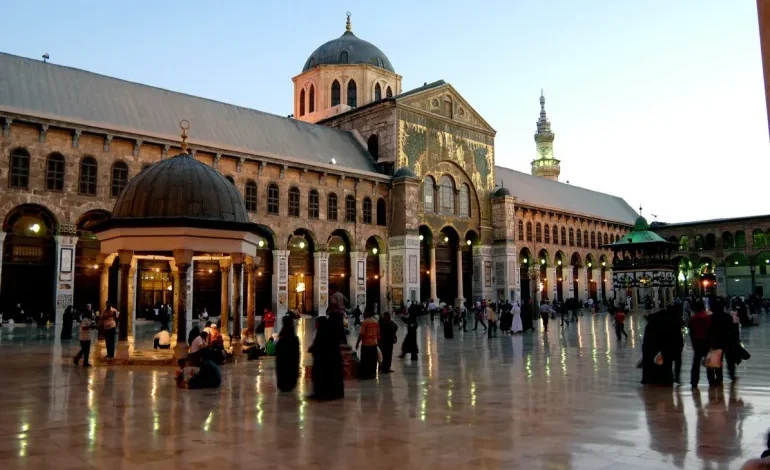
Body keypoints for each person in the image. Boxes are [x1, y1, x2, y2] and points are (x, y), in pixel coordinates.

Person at [308, 316, 344, 400]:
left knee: (322, 376)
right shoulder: (327, 331)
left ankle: (323, 393)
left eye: (317, 323)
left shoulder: (323, 333)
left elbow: (321, 346)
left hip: (325, 362)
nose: (315, 325)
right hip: (329, 361)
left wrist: (313, 349)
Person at [708, 298, 740, 385]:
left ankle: (719, 377)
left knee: (717, 361)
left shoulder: (711, 318)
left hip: (716, 342)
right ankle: (731, 374)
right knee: (730, 360)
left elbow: (709, 331)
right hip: (728, 342)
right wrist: (736, 341)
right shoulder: (728, 317)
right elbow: (733, 330)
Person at [688, 299, 711, 387]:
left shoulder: (693, 318)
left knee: (696, 363)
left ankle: (694, 381)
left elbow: (691, 332)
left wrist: (694, 344)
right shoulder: (707, 317)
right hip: (707, 342)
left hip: (697, 342)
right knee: (708, 362)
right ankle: (710, 379)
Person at [275, 316, 300, 392]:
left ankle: (284, 385)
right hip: (291, 361)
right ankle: (289, 384)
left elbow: (279, 347)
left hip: (283, 361)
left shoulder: (284, 334)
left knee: (284, 371)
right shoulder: (292, 335)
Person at [356, 309, 380, 379]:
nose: (363, 314)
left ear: (367, 313)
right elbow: (378, 334)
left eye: (364, 312)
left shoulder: (365, 322)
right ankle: (372, 374)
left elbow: (362, 334)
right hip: (374, 344)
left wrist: (357, 343)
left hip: (366, 344)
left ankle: (365, 374)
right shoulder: (376, 322)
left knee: (365, 360)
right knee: (373, 360)